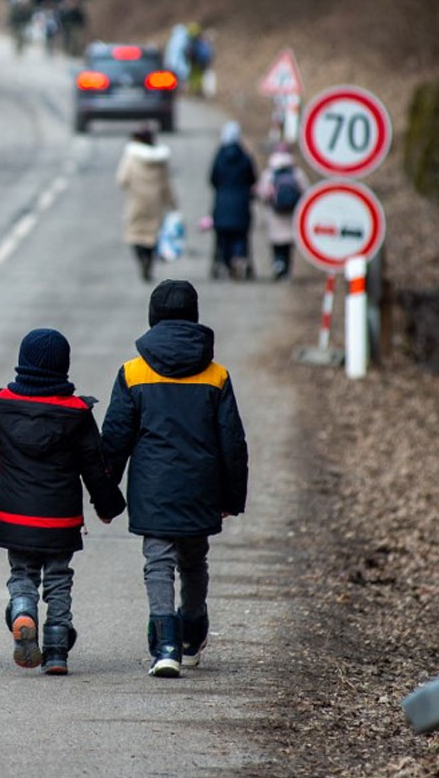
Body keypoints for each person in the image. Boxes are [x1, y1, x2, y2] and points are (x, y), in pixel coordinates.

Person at [99, 280, 249, 678]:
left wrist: (105, 493)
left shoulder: (133, 372)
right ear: (195, 317)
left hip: (153, 486)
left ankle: (164, 643)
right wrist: (232, 498)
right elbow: (232, 442)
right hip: (202, 485)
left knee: (158, 562)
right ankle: (192, 631)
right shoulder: (216, 375)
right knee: (194, 560)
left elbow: (115, 439)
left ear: (153, 317)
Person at [0, 328, 126, 675]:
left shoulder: (0, 406)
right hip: (61, 520)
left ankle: (24, 610)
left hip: (14, 518)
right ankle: (56, 649)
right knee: (58, 578)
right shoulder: (77, 413)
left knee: (22, 572)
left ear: (22, 364)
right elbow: (94, 467)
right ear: (64, 367)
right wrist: (108, 505)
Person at [116, 126, 177, 282]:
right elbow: (166, 184)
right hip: (155, 204)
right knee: (153, 235)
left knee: (136, 235)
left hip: (136, 203)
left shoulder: (131, 157)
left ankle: (141, 260)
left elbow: (122, 180)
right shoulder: (160, 160)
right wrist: (172, 204)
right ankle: (149, 262)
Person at [208, 121, 257, 279]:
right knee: (240, 236)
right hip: (241, 204)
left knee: (223, 237)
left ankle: (226, 262)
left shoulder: (219, 157)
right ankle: (239, 259)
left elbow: (212, 179)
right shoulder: (245, 156)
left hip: (222, 204)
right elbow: (253, 178)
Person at [255, 149, 309, 280]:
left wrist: (267, 202)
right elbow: (306, 191)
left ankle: (278, 263)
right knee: (288, 245)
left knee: (276, 243)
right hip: (291, 214)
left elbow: (262, 193)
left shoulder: (269, 174)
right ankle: (286, 269)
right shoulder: (296, 173)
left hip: (275, 214)